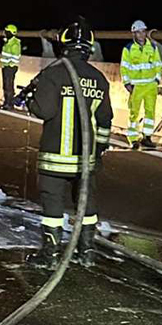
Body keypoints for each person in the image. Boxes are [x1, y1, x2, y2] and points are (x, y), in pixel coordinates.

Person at [26, 19, 113, 269]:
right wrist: (99, 150)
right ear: (89, 48)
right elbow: (105, 119)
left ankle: (50, 255)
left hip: (55, 157)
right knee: (86, 204)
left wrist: (30, 100)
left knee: (53, 203)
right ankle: (86, 252)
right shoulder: (99, 79)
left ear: (63, 45)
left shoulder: (53, 74)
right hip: (86, 159)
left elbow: (44, 110)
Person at [120, 20, 162, 149]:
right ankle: (133, 138)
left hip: (150, 85)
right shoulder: (128, 49)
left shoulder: (153, 47)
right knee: (134, 112)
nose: (141, 35)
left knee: (150, 112)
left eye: (143, 31)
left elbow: (158, 64)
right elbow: (124, 67)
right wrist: (127, 83)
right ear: (134, 34)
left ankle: (147, 137)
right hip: (136, 86)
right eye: (138, 32)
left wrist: (156, 80)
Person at [0, 24, 22, 110]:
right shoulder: (8, 42)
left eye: (7, 31)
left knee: (9, 85)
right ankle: (6, 102)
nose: (5, 33)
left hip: (10, 68)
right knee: (5, 85)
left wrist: (9, 65)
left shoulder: (14, 44)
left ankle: (9, 103)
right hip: (6, 67)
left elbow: (15, 58)